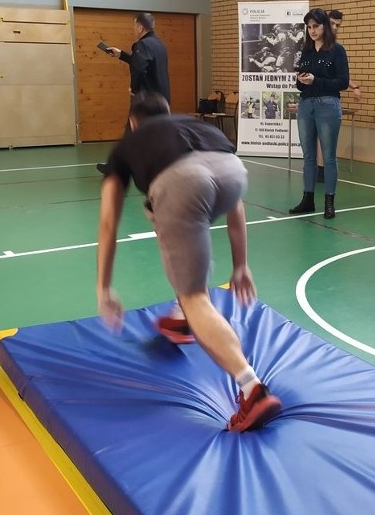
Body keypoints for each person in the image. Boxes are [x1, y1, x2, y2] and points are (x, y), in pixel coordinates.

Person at [96, 91, 282, 432]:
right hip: (232, 173)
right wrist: (240, 265)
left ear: (133, 122)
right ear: (168, 112)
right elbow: (233, 206)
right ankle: (183, 317)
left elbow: (109, 222)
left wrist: (104, 286)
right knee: (158, 212)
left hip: (183, 183)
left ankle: (252, 388)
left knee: (194, 293)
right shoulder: (194, 124)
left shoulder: (128, 144)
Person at [288, 8, 349, 219]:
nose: (312, 30)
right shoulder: (305, 51)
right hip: (306, 104)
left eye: (316, 26)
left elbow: (343, 82)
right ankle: (307, 199)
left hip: (328, 105)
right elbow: (299, 84)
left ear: (325, 26)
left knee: (329, 157)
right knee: (308, 157)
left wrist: (317, 81)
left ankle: (329, 201)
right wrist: (301, 81)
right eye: (309, 27)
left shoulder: (337, 50)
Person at [96, 12, 171, 175]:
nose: (133, 29)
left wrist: (134, 88)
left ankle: (116, 168)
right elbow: (144, 63)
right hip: (161, 98)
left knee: (132, 131)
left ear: (140, 27)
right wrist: (121, 55)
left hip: (146, 98)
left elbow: (139, 68)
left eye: (134, 25)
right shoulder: (159, 44)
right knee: (155, 133)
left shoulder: (142, 45)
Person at [312, 9, 362, 183]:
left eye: (338, 25)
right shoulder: (314, 46)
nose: (334, 28)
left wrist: (354, 86)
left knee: (327, 136)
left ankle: (323, 169)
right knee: (319, 135)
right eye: (332, 23)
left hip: (330, 100)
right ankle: (319, 169)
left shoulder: (336, 49)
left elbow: (341, 77)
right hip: (314, 98)